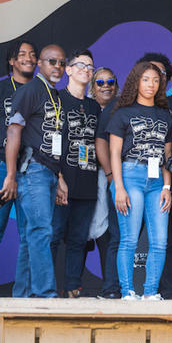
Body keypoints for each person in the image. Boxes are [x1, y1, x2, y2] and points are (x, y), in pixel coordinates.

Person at [0, 44, 68, 298]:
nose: (58, 67)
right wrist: (10, 175)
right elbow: (13, 131)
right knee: (41, 231)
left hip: (49, 171)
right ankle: (45, 294)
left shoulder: (55, 95)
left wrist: (59, 178)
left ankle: (23, 296)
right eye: (52, 61)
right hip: (33, 170)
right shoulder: (30, 90)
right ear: (40, 63)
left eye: (62, 62)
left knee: (32, 237)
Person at [107, 62, 172, 300]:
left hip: (157, 182)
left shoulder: (165, 115)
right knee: (129, 238)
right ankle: (127, 291)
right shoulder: (122, 113)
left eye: (156, 81)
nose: (151, 85)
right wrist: (119, 187)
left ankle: (150, 292)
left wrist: (167, 187)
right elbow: (114, 152)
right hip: (130, 175)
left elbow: (167, 156)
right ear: (136, 81)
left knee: (160, 241)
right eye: (146, 79)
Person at [0, 39, 37, 296]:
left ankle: (21, 295)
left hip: (32, 170)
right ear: (12, 61)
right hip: (0, 168)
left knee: (28, 234)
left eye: (33, 54)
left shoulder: (42, 91)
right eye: (22, 54)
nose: (28, 58)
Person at [51, 49, 102, 298]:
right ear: (68, 70)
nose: (86, 69)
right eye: (80, 65)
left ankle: (72, 286)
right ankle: (45, 287)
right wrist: (57, 178)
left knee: (78, 239)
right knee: (53, 235)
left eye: (90, 66)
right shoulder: (56, 99)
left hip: (88, 181)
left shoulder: (94, 106)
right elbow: (49, 141)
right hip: (61, 180)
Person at [90, 67, 121, 299]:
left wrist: (111, 174)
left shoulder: (121, 107)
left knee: (109, 233)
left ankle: (111, 286)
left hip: (109, 176)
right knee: (81, 233)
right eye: (100, 82)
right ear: (93, 87)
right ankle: (72, 286)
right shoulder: (85, 107)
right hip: (82, 176)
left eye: (110, 81)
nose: (106, 86)